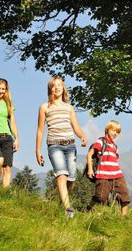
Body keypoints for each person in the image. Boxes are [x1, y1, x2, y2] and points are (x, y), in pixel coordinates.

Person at [36, 77, 87, 218]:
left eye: (59, 85)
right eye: (53, 86)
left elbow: (75, 126)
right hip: (54, 145)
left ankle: (63, 203)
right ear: (50, 89)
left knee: (71, 179)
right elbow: (40, 130)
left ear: (63, 88)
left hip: (70, 145)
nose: (56, 88)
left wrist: (82, 136)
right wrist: (37, 150)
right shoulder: (44, 107)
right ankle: (68, 209)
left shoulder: (69, 108)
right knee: (61, 175)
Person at [86, 120, 130, 215]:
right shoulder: (101, 141)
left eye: (117, 132)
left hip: (117, 175)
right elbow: (89, 154)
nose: (115, 133)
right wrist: (90, 169)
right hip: (103, 176)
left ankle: (124, 218)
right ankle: (88, 208)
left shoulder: (115, 146)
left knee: (124, 195)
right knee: (101, 197)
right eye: (113, 130)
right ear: (107, 129)